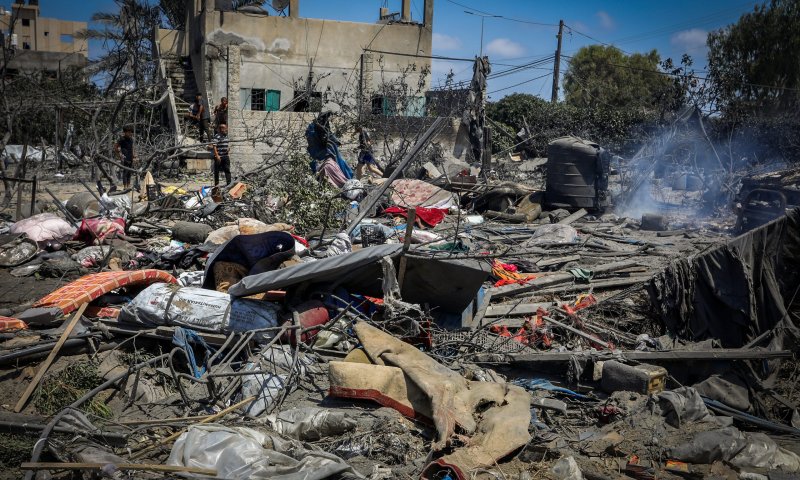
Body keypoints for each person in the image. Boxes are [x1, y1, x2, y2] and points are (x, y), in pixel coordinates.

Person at [304, 104, 354, 188]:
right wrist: (333, 141)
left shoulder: (314, 126)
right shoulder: (319, 126)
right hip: (321, 152)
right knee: (335, 164)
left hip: (317, 152)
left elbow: (328, 135)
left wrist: (335, 140)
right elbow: (326, 137)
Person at [114, 125, 137, 189]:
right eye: (128, 132)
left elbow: (131, 148)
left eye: (131, 132)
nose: (130, 133)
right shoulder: (122, 139)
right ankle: (125, 186)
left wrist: (133, 156)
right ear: (125, 132)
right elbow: (116, 147)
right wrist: (119, 155)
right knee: (125, 172)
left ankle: (129, 185)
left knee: (129, 172)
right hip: (124, 157)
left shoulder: (131, 139)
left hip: (130, 157)